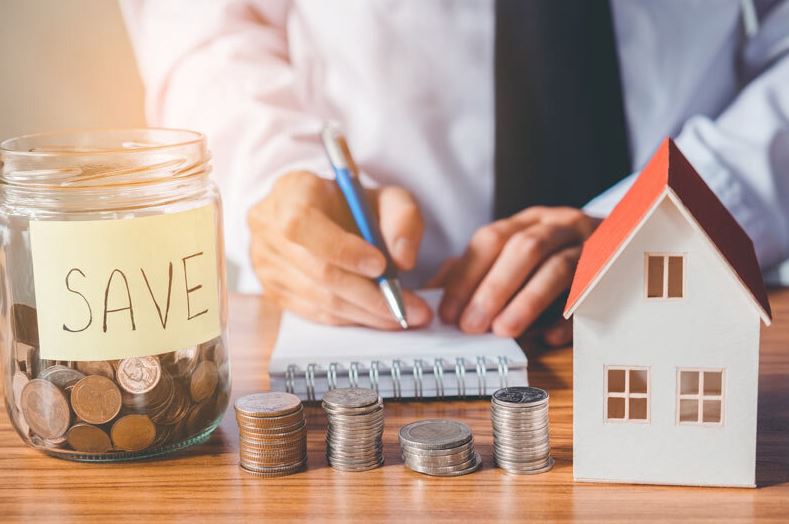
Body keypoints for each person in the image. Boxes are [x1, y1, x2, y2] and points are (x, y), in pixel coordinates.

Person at [121, 0, 789, 346]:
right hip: (374, 300)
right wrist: (274, 174)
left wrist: (673, 214)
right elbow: (204, 24)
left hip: (690, 283)